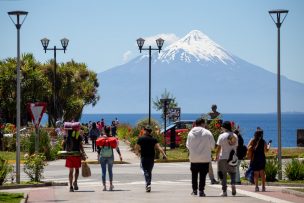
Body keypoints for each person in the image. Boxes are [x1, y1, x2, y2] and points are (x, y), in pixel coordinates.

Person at [186, 118, 215, 197]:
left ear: (195, 123)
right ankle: (201, 191)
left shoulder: (190, 133)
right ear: (203, 123)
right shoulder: (207, 132)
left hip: (193, 158)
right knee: (203, 176)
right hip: (205, 158)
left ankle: (194, 190)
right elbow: (213, 146)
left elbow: (187, 145)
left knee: (194, 175)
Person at [135, 125, 167, 192]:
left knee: (146, 171)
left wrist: (137, 153)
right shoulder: (153, 139)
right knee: (149, 171)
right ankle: (148, 184)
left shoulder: (141, 139)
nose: (143, 131)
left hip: (144, 157)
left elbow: (136, 147)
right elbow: (159, 147)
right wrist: (164, 154)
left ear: (146, 131)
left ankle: (148, 184)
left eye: (144, 130)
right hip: (151, 158)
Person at [215, 121, 238, 197]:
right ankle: (233, 184)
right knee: (233, 173)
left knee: (222, 175)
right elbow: (236, 147)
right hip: (233, 158)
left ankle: (224, 191)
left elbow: (219, 147)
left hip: (223, 157)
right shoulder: (235, 135)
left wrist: (216, 156)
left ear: (224, 127)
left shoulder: (221, 136)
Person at [97, 126, 122, 191]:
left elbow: (99, 148)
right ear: (110, 130)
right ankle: (111, 185)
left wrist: (98, 156)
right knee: (110, 171)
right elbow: (116, 147)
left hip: (102, 156)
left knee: (103, 171)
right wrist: (120, 155)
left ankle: (104, 186)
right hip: (110, 156)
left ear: (104, 131)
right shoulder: (112, 138)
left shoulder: (102, 138)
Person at [63, 122, 86, 192]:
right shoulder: (78, 136)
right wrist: (83, 153)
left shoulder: (66, 136)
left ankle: (71, 187)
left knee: (70, 171)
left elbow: (63, 145)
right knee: (77, 170)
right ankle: (75, 181)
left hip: (69, 155)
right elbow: (80, 146)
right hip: (76, 155)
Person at [247, 127, 270, 192]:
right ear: (261, 134)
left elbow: (248, 147)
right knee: (262, 173)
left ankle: (256, 187)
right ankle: (263, 187)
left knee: (256, 174)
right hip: (261, 158)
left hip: (254, 158)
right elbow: (266, 150)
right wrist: (269, 145)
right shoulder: (263, 141)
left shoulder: (252, 140)